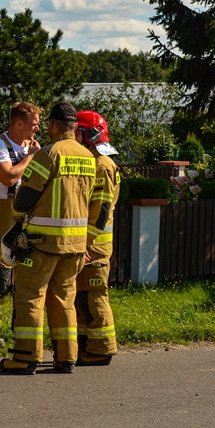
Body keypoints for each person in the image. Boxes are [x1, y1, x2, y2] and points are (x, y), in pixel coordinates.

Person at [0, 102, 95, 375]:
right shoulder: (88, 157)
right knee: (64, 299)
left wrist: (17, 215)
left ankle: (25, 357)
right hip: (75, 246)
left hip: (41, 244)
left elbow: (26, 198)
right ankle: (66, 358)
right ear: (75, 127)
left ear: (52, 126)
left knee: (30, 297)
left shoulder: (48, 154)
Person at [0, 102, 42, 349]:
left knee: (27, 272)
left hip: (28, 213)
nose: (37, 128)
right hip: (3, 210)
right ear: (19, 123)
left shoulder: (31, 147)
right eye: (34, 123)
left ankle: (21, 328)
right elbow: (9, 177)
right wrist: (31, 157)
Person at [74, 110, 121, 365]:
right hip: (90, 245)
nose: (74, 137)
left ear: (90, 135)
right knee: (83, 298)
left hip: (95, 247)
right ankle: (87, 348)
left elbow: (101, 211)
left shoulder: (102, 165)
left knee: (94, 297)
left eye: (78, 132)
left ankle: (102, 349)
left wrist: (86, 243)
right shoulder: (94, 160)